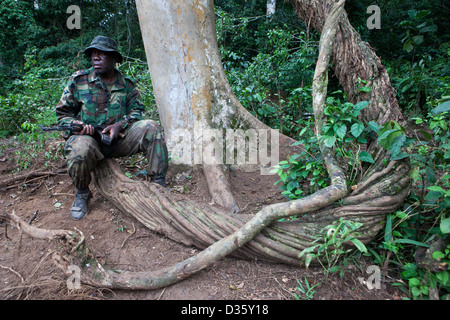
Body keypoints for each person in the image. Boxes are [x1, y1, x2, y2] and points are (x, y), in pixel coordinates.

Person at [56, 36, 168, 220]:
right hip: (91, 141)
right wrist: (76, 126)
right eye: (93, 53)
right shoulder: (79, 80)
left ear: (114, 58)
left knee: (152, 127)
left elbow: (137, 111)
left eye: (102, 54)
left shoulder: (126, 84)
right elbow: (63, 115)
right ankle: (83, 192)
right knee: (79, 149)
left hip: (120, 140)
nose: (95, 57)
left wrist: (119, 125)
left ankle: (158, 183)